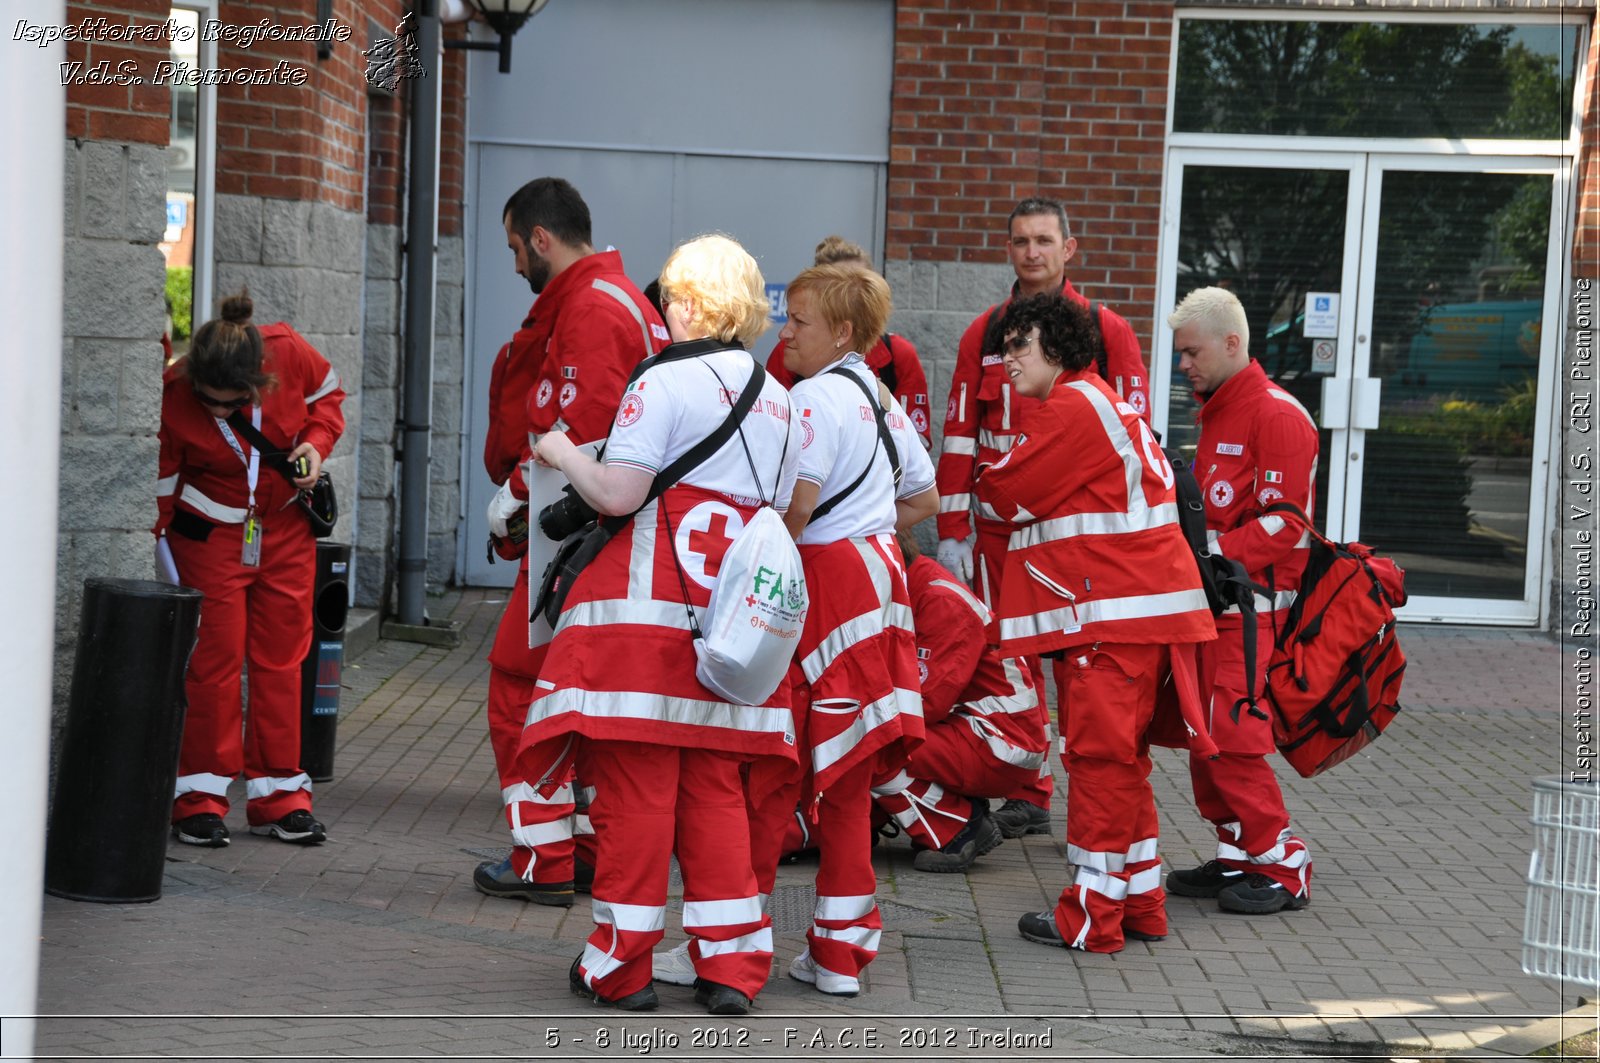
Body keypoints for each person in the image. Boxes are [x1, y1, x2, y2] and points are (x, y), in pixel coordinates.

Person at [520, 233, 799, 1017]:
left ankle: (621, 968)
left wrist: (565, 451)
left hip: (644, 630)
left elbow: (619, 492)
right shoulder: (778, 398)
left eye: (670, 295)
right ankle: (732, 969)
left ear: (685, 302)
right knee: (715, 799)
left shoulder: (663, 381)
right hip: (727, 636)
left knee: (635, 803)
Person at [976, 292, 1216, 954]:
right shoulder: (1096, 401)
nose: (1006, 361)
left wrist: (986, 470)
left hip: (1111, 619)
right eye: (1004, 347)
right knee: (1121, 763)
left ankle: (1090, 913)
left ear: (1058, 346)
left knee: (1099, 763)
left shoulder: (1073, 406)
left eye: (1020, 345)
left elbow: (1003, 493)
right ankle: (1138, 901)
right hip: (1131, 617)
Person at [746, 263, 937, 999]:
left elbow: (795, 507)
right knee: (851, 780)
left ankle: (733, 938)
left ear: (843, 332)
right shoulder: (879, 396)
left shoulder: (814, 399)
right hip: (880, 588)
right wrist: (869, 526)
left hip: (821, 593)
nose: (783, 332)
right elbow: (924, 495)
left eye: (798, 321)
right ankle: (839, 955)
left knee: (773, 771)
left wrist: (778, 546)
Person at [935, 196, 1152, 840]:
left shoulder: (1104, 329)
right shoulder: (984, 330)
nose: (1032, 252)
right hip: (1000, 535)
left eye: (1044, 240)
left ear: (1068, 248)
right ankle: (1027, 788)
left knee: (1078, 665)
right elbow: (957, 436)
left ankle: (1090, 795)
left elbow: (1136, 436)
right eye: (1021, 241)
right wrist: (952, 532)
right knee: (1007, 658)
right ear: (1009, 250)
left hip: (1076, 535)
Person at [476, 177, 667, 905]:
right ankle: (578, 846)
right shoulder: (616, 301)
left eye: (517, 248)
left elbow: (575, 438)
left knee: (520, 687)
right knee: (576, 701)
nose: (517, 264)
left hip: (575, 539)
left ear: (542, 239)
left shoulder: (590, 310)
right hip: (603, 538)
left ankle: (542, 855)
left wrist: (512, 503)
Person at [156, 290, 345, 847]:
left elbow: (329, 400)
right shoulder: (176, 390)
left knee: (282, 661)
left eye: (227, 404)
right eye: (208, 402)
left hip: (283, 530)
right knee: (213, 664)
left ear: (258, 384)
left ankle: (281, 795)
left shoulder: (289, 352)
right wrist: (156, 545)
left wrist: (314, 444)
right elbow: (164, 480)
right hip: (209, 538)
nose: (216, 411)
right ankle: (199, 799)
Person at [1163, 286, 1319, 915]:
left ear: (1232, 343)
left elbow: (1286, 524)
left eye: (1192, 352)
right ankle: (1238, 855)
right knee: (1205, 731)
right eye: (1180, 355)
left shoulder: (1276, 415)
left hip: (1255, 609)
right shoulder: (1220, 408)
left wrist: (1206, 561)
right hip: (1216, 604)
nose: (1183, 365)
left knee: (1230, 731)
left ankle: (1285, 863)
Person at [868, 532, 1048, 873]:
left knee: (872, 745)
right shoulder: (917, 587)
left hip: (999, 743)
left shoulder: (938, 601)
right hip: (983, 733)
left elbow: (924, 705)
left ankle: (961, 828)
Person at [763, 236, 932, 449]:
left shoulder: (898, 353)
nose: (854, 294)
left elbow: (915, 447)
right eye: (840, 287)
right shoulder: (789, 349)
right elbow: (773, 433)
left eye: (861, 283)